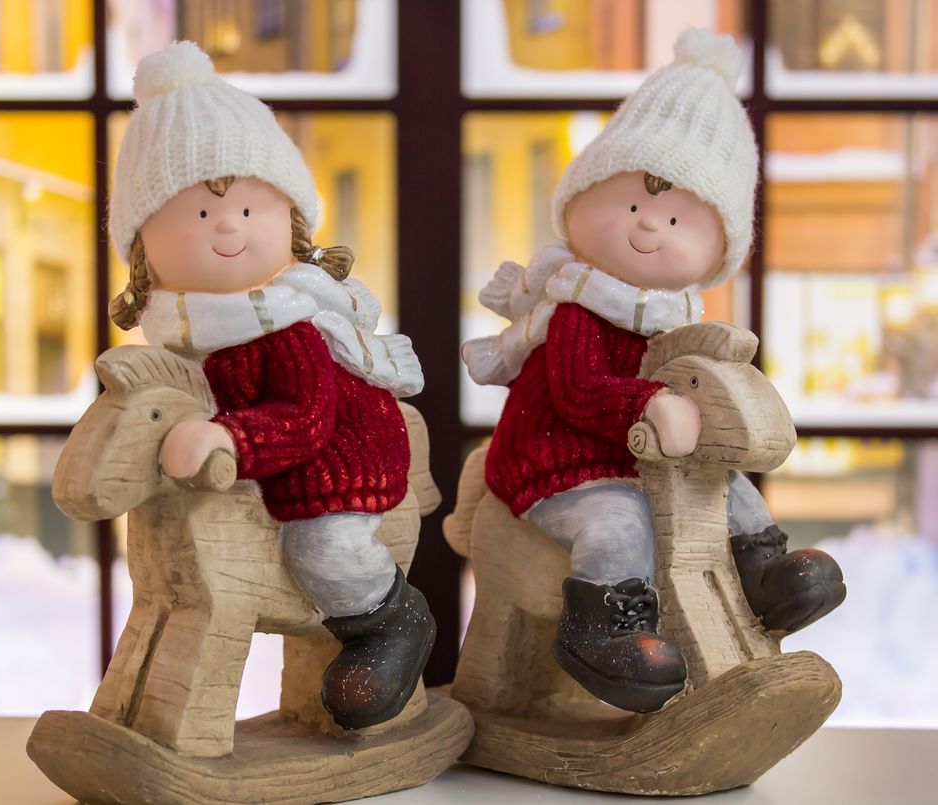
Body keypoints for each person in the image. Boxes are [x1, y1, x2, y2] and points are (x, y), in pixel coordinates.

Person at [463, 29, 845, 714]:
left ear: (718, 250)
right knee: (621, 519)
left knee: (729, 487)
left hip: (642, 457)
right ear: (578, 201)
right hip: (561, 459)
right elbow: (580, 392)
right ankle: (602, 627)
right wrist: (647, 406)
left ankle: (762, 571)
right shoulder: (579, 303)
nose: (647, 228)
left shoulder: (674, 317)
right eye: (632, 205)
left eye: (676, 220)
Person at [108, 41, 434, 730]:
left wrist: (226, 437)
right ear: (143, 250)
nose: (228, 225)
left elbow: (306, 417)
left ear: (291, 224)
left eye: (251, 210)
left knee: (322, 546)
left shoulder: (283, 325)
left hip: (333, 460)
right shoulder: (188, 335)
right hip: (269, 458)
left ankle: (388, 618)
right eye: (199, 214)